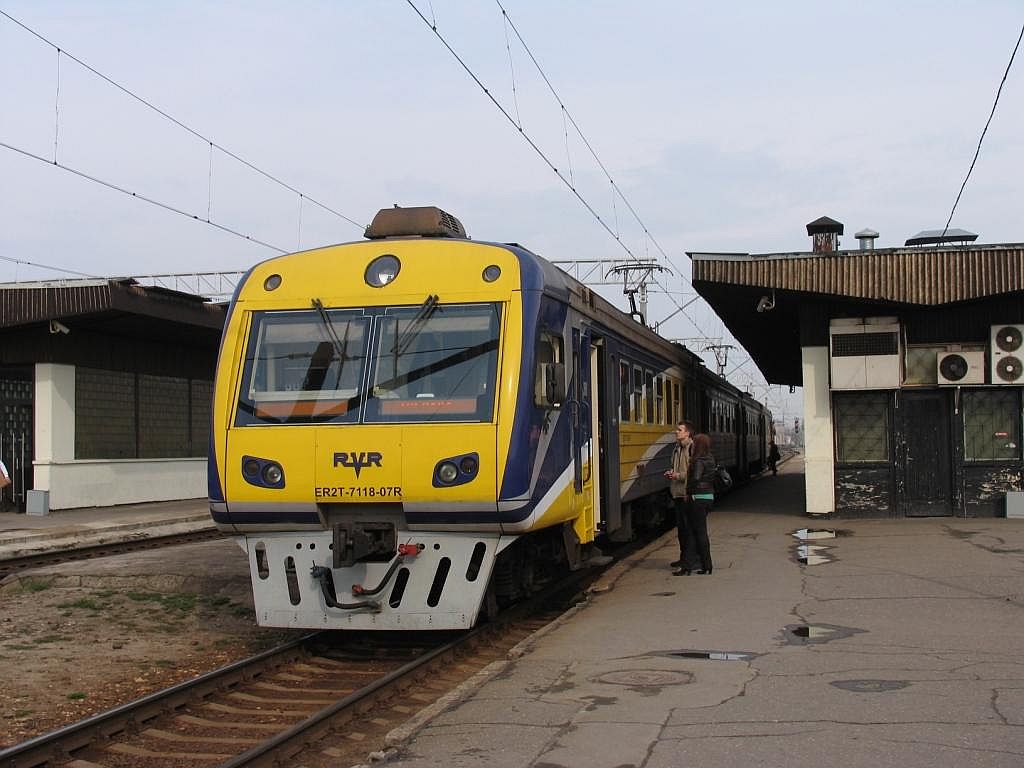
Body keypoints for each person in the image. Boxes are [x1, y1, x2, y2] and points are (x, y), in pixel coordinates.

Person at [676, 433, 715, 575]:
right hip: (708, 496)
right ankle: (700, 566)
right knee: (695, 532)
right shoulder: (710, 458)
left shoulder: (698, 460)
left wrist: (688, 492)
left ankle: (698, 566)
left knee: (698, 533)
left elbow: (696, 478)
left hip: (697, 498)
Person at [664, 420, 695, 571]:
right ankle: (683, 558)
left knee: (688, 530)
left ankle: (689, 561)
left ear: (687, 433)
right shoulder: (676, 449)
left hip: (686, 495)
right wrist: (671, 473)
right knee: (681, 530)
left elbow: (692, 473)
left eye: (679, 430)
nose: (676, 432)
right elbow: (674, 466)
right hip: (677, 493)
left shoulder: (692, 448)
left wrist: (678, 475)